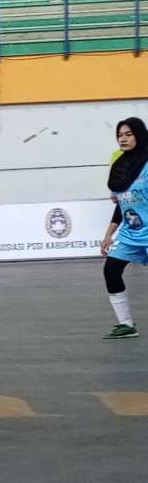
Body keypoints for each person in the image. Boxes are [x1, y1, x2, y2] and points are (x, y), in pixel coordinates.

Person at [100, 117, 148, 339]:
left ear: (139, 135)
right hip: (130, 234)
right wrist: (108, 235)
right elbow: (121, 206)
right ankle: (126, 325)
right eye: (120, 135)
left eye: (129, 134)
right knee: (111, 269)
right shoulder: (121, 167)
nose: (123, 138)